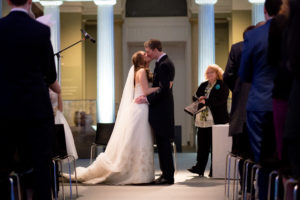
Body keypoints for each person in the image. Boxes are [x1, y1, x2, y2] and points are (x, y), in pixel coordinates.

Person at [64, 51, 159, 185]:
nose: (146, 54)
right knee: (139, 139)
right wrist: (162, 87)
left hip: (139, 108)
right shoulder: (142, 71)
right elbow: (145, 91)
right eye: (144, 53)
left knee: (137, 140)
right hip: (140, 109)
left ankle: (138, 171)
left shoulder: (138, 71)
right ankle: (138, 173)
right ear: (141, 59)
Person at [0, 0, 58, 199]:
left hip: (4, 109)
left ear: (8, 1)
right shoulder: (40, 31)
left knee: (3, 165)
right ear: (30, 2)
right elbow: (50, 74)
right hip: (35, 109)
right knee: (41, 167)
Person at [239, 0, 282, 199]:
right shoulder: (292, 32)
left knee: (263, 162)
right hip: (287, 103)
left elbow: (245, 74)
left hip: (260, 104)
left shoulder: (253, 35)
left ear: (264, 11)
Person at [135, 39, 176, 185]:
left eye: (148, 51)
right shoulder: (161, 62)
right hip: (161, 109)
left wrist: (147, 100)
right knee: (161, 144)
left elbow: (164, 89)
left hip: (163, 110)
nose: (147, 54)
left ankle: (168, 176)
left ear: (155, 49)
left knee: (164, 144)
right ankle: (165, 173)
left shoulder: (165, 64)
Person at [187, 64, 229, 177]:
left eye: (212, 72)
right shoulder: (203, 84)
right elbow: (194, 96)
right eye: (208, 72)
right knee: (202, 145)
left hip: (217, 119)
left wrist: (207, 101)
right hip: (203, 120)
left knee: (215, 146)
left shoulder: (222, 84)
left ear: (217, 73)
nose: (209, 74)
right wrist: (199, 99)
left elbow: (221, 100)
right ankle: (199, 168)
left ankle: (214, 170)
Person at [49, 88, 78, 160]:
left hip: (56, 116)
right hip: (46, 116)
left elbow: (60, 108)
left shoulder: (55, 88)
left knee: (59, 143)